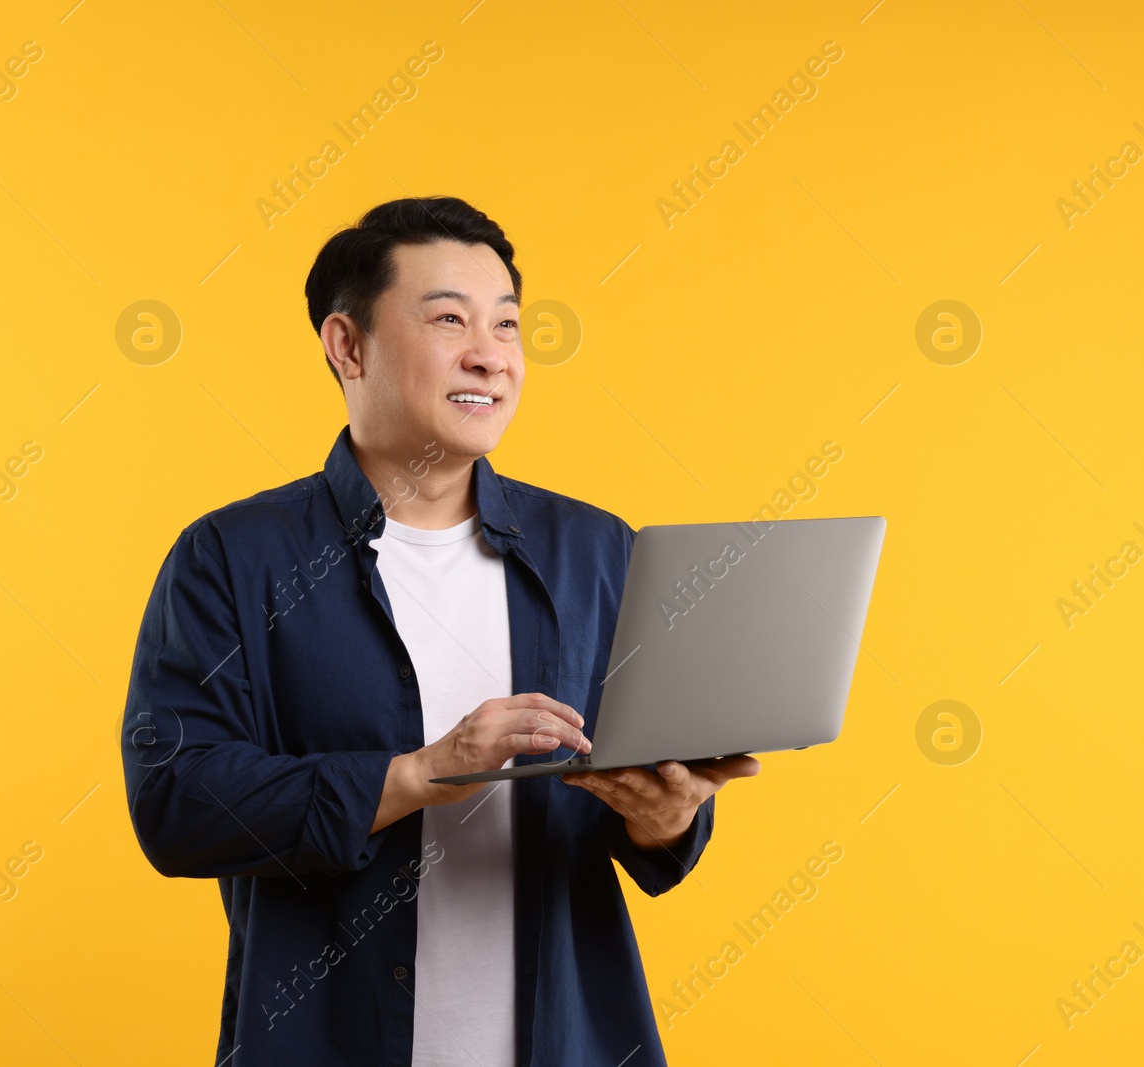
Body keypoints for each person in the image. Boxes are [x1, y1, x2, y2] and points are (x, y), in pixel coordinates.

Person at [121, 196, 759, 1066]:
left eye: (506, 324)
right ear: (347, 345)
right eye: (449, 318)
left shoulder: (596, 549)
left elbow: (652, 840)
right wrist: (418, 773)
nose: (489, 355)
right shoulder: (233, 558)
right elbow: (178, 802)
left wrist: (669, 816)